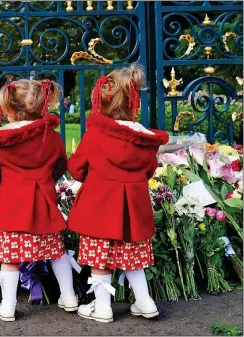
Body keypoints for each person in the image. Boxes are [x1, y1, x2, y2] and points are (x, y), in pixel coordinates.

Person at [67, 66, 169, 323]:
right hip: (133, 210)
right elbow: (148, 170)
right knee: (133, 257)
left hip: (99, 208)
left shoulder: (96, 134)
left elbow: (78, 168)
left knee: (99, 258)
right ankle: (145, 302)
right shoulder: (144, 139)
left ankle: (102, 307)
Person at [0, 79, 78, 322]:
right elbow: (60, 165)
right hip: (43, 201)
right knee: (56, 251)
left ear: (9, 109)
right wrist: (44, 179)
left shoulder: (2, 140)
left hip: (12, 203)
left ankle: (9, 305)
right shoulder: (50, 137)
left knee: (10, 258)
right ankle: (68, 296)